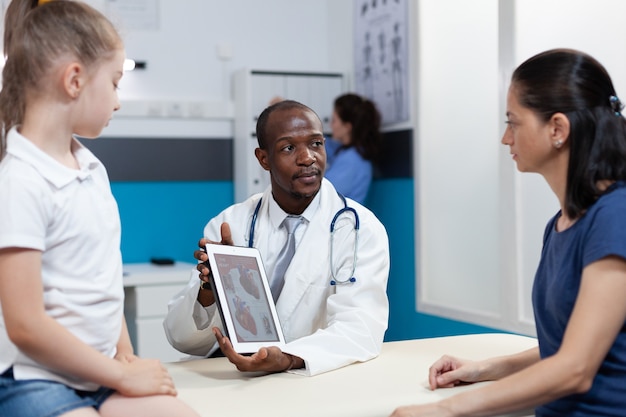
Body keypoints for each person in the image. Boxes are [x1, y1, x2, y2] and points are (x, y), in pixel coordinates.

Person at [390, 48, 626, 417]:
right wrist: (485, 369)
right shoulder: (562, 223)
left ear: (557, 129)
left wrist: (449, 410)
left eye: (513, 122)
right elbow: (567, 345)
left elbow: (576, 368)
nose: (505, 138)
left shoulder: (615, 217)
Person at [0, 2, 198, 416]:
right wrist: (123, 376)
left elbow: (102, 282)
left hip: (102, 374)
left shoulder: (93, 170)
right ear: (74, 80)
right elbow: (24, 325)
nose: (118, 101)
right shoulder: (19, 180)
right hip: (36, 379)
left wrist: (125, 358)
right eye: (114, 83)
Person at [163, 100, 390, 375]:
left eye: (316, 143)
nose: (308, 157)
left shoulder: (359, 229)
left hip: (309, 378)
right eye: (289, 148)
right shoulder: (230, 224)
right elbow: (181, 338)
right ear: (263, 159)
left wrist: (287, 357)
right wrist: (210, 291)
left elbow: (361, 328)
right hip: (230, 376)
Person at [325, 93, 382, 204]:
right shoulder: (348, 151)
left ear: (347, 127)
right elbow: (321, 145)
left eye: (334, 120)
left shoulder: (353, 160)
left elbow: (322, 194)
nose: (331, 125)